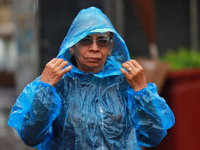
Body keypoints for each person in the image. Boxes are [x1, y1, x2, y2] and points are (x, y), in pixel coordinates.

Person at [8, 6, 175, 150]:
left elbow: (154, 135)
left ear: (110, 48)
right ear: (72, 47)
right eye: (86, 40)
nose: (94, 48)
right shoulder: (56, 82)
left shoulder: (126, 82)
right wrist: (44, 90)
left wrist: (141, 91)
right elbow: (31, 137)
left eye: (102, 41)